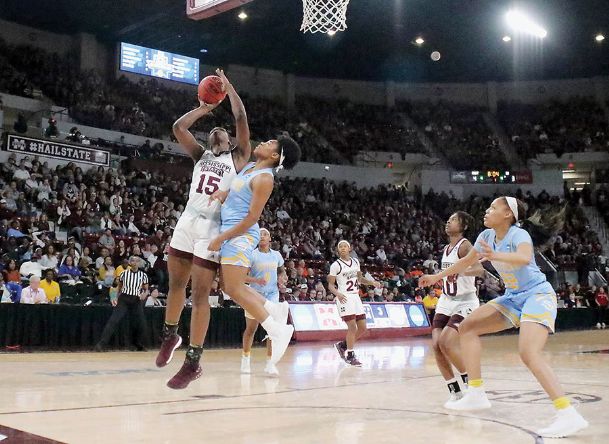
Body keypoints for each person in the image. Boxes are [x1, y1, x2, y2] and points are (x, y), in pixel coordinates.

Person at [419, 197, 588, 438]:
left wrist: (495, 255)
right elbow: (465, 262)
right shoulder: (486, 237)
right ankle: (476, 393)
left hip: (537, 295)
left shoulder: (519, 235)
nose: (487, 211)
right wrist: (437, 277)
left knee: (528, 353)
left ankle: (568, 413)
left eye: (493, 208)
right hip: (513, 297)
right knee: (467, 328)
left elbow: (523, 258)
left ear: (508, 214)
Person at [156, 69, 253, 389]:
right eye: (212, 130)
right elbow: (178, 127)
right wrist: (204, 108)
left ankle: (193, 361)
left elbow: (239, 117)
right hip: (187, 220)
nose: (216, 131)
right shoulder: (199, 155)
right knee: (175, 285)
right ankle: (171, 335)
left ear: (229, 143)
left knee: (199, 295)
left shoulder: (238, 158)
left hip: (211, 228)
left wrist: (229, 90)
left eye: (221, 131)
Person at [207, 136, 302, 375]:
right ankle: (274, 309)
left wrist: (222, 237)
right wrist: (224, 193)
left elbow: (251, 218)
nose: (264, 143)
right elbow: (239, 190)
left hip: (240, 234)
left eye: (271, 143)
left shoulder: (265, 179)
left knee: (233, 288)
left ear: (274, 156)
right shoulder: (251, 167)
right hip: (231, 230)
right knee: (231, 286)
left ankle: (276, 330)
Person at [430, 211, 484, 407]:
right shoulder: (447, 248)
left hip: (465, 301)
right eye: (448, 218)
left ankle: (472, 385)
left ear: (463, 226)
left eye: (452, 219)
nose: (448, 221)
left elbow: (480, 270)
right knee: (436, 346)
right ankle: (455, 392)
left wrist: (463, 270)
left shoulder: (465, 245)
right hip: (446, 300)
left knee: (447, 342)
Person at [240, 228, 287, 376]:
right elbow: (242, 277)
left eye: (265, 234)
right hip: (254, 295)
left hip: (272, 295)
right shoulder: (251, 255)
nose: (262, 236)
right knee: (251, 330)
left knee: (272, 331)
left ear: (270, 238)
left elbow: (282, 272)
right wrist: (256, 280)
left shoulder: (277, 255)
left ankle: (270, 363)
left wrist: (282, 279)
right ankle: (245, 359)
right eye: (259, 234)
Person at [328, 240, 381, 367]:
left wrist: (372, 283)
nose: (342, 248)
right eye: (340, 247)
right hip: (344, 297)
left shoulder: (356, 262)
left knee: (362, 328)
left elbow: (360, 279)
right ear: (337, 250)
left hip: (356, 297)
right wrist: (338, 294)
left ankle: (343, 345)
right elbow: (330, 285)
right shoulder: (335, 265)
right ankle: (350, 355)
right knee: (352, 327)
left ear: (349, 248)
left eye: (345, 246)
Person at [95, 256, 149, 351]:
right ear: (130, 263)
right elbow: (118, 287)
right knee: (114, 320)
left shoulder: (143, 275)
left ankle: (137, 343)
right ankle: (101, 344)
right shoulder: (124, 274)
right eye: (132, 261)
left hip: (136, 299)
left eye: (137, 261)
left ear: (139, 263)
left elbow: (146, 289)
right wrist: (115, 297)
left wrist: (145, 294)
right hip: (124, 298)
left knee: (141, 322)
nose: (135, 263)